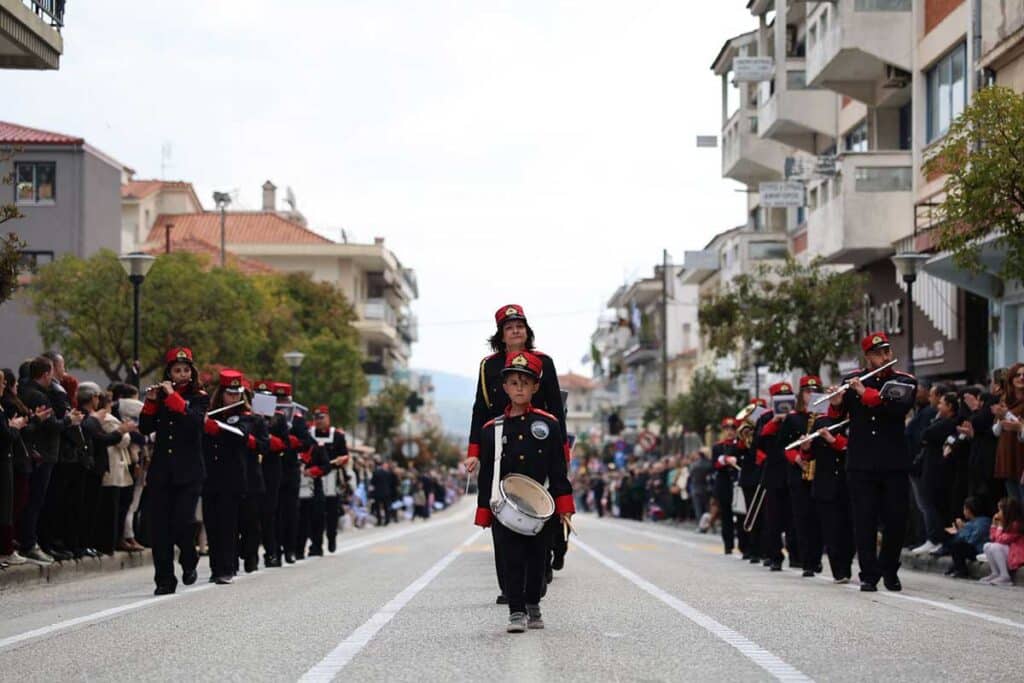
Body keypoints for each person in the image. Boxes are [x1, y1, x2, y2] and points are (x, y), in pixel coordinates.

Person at [465, 304, 570, 604]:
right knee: (501, 513)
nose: (515, 331)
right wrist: (474, 451)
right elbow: (479, 410)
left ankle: (544, 561)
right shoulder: (488, 366)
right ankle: (508, 588)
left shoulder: (543, 362)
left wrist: (561, 449)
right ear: (501, 334)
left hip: (539, 441)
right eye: (509, 327)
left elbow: (556, 410)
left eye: (520, 326)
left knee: (542, 507)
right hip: (499, 443)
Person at [473, 351, 574, 633]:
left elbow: (557, 470)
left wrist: (564, 506)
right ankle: (516, 610)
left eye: (525, 383)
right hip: (505, 507)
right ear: (505, 387)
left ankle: (533, 603)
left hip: (540, 506)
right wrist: (484, 510)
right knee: (511, 559)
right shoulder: (491, 429)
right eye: (513, 383)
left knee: (537, 560)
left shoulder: (549, 425)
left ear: (535, 388)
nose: (519, 388)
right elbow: (488, 475)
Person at [832, 332, 917, 592]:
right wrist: (836, 403)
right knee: (864, 520)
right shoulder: (850, 380)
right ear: (868, 356)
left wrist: (864, 392)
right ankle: (868, 573)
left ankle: (889, 569)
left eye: (887, 352)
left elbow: (896, 409)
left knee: (895, 519)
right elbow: (836, 420)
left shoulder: (904, 381)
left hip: (893, 462)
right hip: (861, 463)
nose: (885, 357)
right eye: (879, 353)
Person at [139, 347, 209, 595]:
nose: (181, 374)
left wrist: (171, 396)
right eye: (176, 370)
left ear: (191, 372)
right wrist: (150, 402)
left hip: (189, 472)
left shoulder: (199, 396)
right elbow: (145, 427)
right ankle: (164, 580)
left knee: (183, 521)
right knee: (160, 528)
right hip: (161, 471)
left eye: (185, 370)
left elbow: (194, 423)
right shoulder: (160, 397)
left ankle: (189, 558)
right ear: (169, 372)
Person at [202, 370, 257, 585]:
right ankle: (216, 567)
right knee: (212, 523)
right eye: (230, 394)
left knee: (227, 524)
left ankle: (227, 568)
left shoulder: (245, 416)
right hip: (209, 476)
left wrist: (216, 428)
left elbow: (241, 435)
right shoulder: (210, 411)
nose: (234, 398)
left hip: (232, 479)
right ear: (222, 394)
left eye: (237, 394)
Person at [778, 376, 825, 577]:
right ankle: (806, 561)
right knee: (802, 519)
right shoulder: (793, 417)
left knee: (819, 519)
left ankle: (816, 558)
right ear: (801, 394)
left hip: (821, 473)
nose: (810, 395)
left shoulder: (825, 416)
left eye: (814, 391)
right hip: (799, 473)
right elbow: (783, 445)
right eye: (807, 391)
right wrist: (797, 458)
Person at [805, 409, 854, 583]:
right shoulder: (820, 422)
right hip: (825, 483)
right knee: (830, 529)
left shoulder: (853, 420)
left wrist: (832, 440)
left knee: (848, 530)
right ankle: (838, 571)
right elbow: (809, 454)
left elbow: (852, 448)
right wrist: (805, 447)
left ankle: (846, 566)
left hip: (848, 482)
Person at [755, 382, 797, 571]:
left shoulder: (798, 416)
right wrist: (776, 420)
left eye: (788, 396)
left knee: (795, 517)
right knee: (773, 519)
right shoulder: (765, 418)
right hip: (773, 473)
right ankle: (775, 556)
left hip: (794, 470)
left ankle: (797, 555)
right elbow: (760, 442)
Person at [913, 392, 960, 555]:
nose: (938, 406)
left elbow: (927, 434)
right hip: (929, 466)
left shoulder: (950, 422)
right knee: (927, 504)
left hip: (937, 470)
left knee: (932, 504)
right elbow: (923, 436)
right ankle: (933, 538)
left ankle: (936, 538)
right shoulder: (939, 420)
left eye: (942, 403)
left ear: (950, 407)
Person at [309, 406, 350, 553]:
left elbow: (345, 455)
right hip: (313, 477)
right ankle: (316, 544)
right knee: (315, 511)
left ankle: (331, 537)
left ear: (328, 418)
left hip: (332, 476)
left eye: (322, 418)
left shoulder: (337, 435)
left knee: (332, 511)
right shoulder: (310, 434)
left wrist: (341, 460)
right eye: (316, 418)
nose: (319, 421)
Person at [0, 369, 28, 566]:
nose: (4, 387)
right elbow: (5, 435)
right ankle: (5, 549)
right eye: (2, 383)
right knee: (4, 505)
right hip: (3, 460)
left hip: (7, 460)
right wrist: (15, 427)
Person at [711, 417, 745, 555]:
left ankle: (744, 545)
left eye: (732, 429)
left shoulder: (740, 445)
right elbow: (714, 464)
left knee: (741, 515)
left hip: (738, 483)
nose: (730, 432)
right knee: (726, 515)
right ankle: (728, 544)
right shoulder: (718, 447)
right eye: (727, 429)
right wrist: (724, 460)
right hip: (724, 484)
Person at [992, 362, 1024, 502]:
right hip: (1008, 456)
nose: (1021, 378)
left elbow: (1017, 424)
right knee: (1014, 507)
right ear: (1011, 378)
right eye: (1018, 375)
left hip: (1021, 456)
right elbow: (996, 432)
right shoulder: (1005, 399)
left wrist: (1007, 416)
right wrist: (1000, 418)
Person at [940, 497, 991, 579]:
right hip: (972, 547)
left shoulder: (983, 522)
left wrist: (962, 529)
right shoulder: (970, 523)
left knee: (957, 546)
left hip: (979, 549)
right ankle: (954, 565)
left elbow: (972, 540)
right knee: (951, 542)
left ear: (969, 510)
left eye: (964, 509)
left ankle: (962, 570)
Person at [980, 496, 1023, 586]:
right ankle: (995, 573)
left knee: (995, 546)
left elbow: (1001, 540)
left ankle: (1005, 576)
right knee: (987, 545)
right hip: (1009, 553)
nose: (998, 513)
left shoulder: (1015, 525)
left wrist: (999, 526)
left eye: (1000, 510)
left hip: (1015, 555)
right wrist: (994, 525)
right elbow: (992, 538)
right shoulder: (1005, 523)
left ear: (1007, 512)